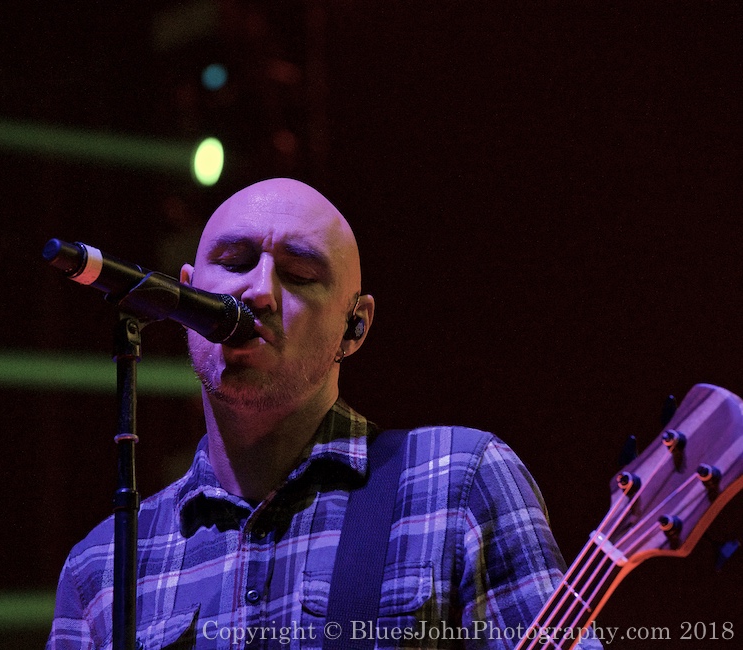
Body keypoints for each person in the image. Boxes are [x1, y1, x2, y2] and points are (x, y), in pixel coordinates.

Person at [46, 178, 600, 649]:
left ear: (355, 325)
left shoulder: (460, 480)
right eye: (235, 262)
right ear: (187, 294)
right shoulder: (102, 567)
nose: (257, 292)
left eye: (299, 274)